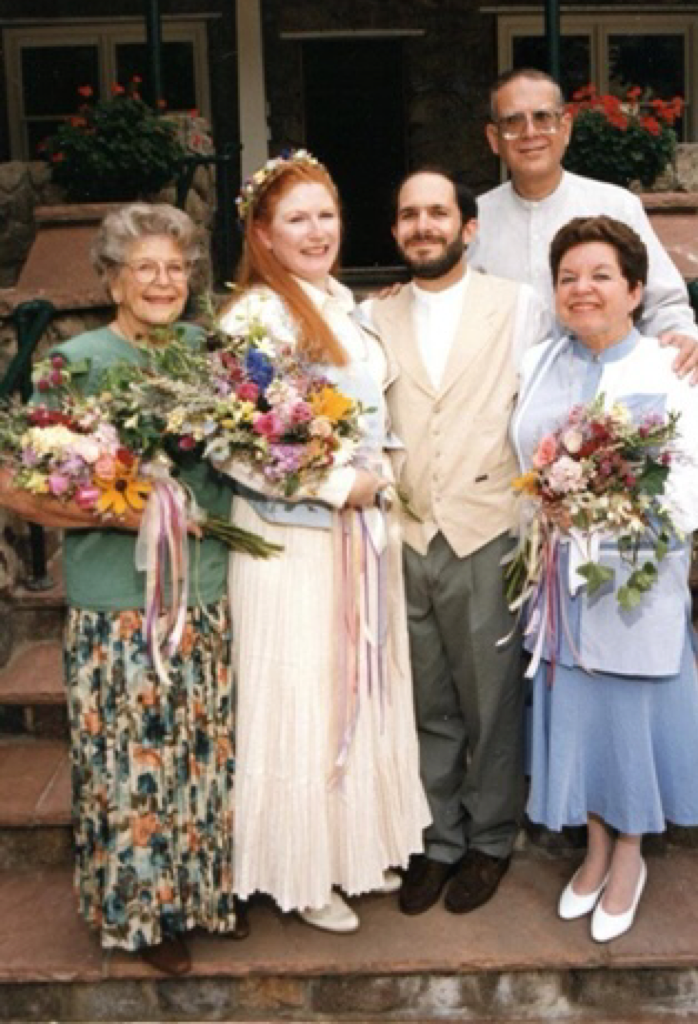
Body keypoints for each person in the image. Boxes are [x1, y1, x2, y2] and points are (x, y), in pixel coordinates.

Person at [0, 203, 239, 976]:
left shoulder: (212, 356)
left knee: (199, 752)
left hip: (204, 590)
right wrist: (130, 509)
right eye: (145, 268)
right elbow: (17, 485)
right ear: (111, 280)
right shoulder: (75, 363)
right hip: (116, 601)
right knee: (128, 760)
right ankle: (142, 912)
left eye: (176, 267)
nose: (163, 281)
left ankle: (200, 896)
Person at [220, 151, 429, 934]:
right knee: (306, 695)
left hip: (359, 533)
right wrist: (339, 484)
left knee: (356, 685)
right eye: (296, 219)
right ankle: (301, 872)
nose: (316, 232)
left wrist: (378, 480)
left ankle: (350, 849)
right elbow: (236, 444)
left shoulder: (342, 303)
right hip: (293, 545)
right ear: (263, 235)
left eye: (326, 215)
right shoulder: (254, 317)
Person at [510, 214, 698, 943]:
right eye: (568, 277)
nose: (583, 288)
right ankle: (595, 846)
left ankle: (630, 854)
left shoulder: (668, 368)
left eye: (601, 275)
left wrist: (615, 516)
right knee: (580, 717)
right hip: (560, 583)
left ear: (635, 290)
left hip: (633, 579)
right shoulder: (539, 362)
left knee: (630, 721)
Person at [365, 169, 547, 916]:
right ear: (396, 231)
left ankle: (490, 838)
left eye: (437, 212)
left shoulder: (520, 305)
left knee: (491, 700)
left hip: (485, 526)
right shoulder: (370, 316)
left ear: (468, 227)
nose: (423, 225)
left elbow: (547, 398)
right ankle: (437, 839)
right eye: (409, 214)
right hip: (406, 531)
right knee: (425, 698)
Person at [472, 67, 698, 383]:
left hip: (604, 392)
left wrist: (681, 337)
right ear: (494, 139)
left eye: (543, 118)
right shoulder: (472, 221)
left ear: (565, 128)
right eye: (513, 122)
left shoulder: (616, 206)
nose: (530, 132)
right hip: (503, 394)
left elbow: (661, 301)